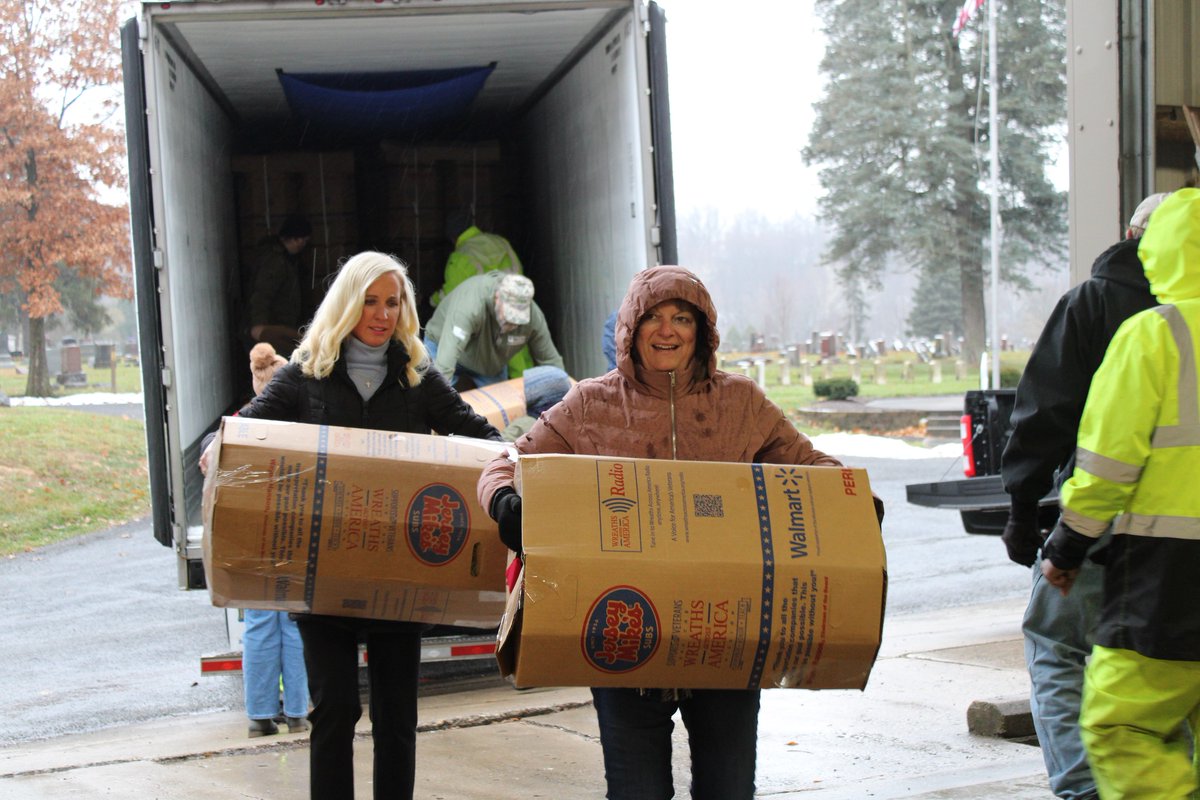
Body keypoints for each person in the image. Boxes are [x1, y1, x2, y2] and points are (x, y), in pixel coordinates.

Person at [476, 265, 857, 800]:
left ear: (702, 331)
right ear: (631, 327)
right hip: (624, 633)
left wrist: (854, 505)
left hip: (725, 633)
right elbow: (509, 461)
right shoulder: (591, 403)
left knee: (728, 791)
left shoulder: (741, 403)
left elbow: (808, 465)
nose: (667, 330)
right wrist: (505, 501)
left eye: (682, 318)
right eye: (653, 317)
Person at [204, 251, 501, 799]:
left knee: (397, 720)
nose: (382, 314)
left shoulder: (417, 376)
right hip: (323, 578)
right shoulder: (306, 374)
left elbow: (475, 432)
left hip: (399, 577)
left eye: (393, 302)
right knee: (335, 710)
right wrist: (215, 448)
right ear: (347, 303)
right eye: (370, 301)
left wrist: (520, 458)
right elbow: (244, 430)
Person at [1000, 192, 1168, 799]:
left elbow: (1047, 413)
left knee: (1058, 646)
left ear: (1131, 234)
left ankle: (1081, 787)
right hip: (1185, 541)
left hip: (1107, 527)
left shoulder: (1100, 304)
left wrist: (1026, 515)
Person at [1039, 187, 1200, 799]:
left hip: (1168, 577)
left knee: (1119, 724)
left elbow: (1107, 463)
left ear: (1155, 252)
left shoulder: (1154, 336)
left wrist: (1066, 545)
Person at [243, 342, 310, 738]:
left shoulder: (243, 423)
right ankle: (299, 711)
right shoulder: (303, 425)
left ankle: (259, 715)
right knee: (295, 623)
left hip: (254, 537)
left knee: (258, 625)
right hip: (296, 535)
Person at [432, 210, 535, 378]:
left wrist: (432, 299)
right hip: (517, 307)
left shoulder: (460, 256)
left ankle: (511, 400)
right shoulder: (501, 242)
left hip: (490, 322)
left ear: (453, 237)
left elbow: (452, 295)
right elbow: (518, 269)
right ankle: (533, 397)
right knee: (521, 358)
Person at [423, 271, 564, 390]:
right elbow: (445, 361)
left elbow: (550, 361)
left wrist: (567, 401)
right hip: (442, 346)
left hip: (489, 364)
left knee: (500, 411)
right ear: (497, 298)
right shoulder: (470, 306)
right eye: (509, 316)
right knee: (431, 392)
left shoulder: (533, 317)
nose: (512, 323)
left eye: (518, 319)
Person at [245, 214, 313, 358]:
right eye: (304, 240)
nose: (304, 245)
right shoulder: (276, 262)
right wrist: (259, 326)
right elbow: (262, 294)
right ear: (297, 239)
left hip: (279, 326)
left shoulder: (287, 259)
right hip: (273, 328)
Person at [500, 365, 571, 442]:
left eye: (526, 392)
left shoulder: (524, 425)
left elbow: (495, 446)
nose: (521, 396)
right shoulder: (564, 425)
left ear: (540, 398)